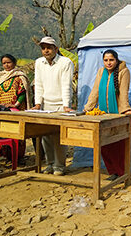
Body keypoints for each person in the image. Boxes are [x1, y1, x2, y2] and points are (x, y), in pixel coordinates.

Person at [84, 49, 131, 180]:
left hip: (116, 115)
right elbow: (95, 91)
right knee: (103, 145)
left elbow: (124, 93)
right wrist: (88, 108)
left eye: (111, 60)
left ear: (116, 60)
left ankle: (121, 173)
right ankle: (112, 171)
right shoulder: (101, 72)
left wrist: (126, 110)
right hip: (102, 114)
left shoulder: (124, 72)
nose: (108, 63)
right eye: (106, 60)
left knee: (117, 145)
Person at [31, 36, 74, 176]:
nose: (46, 51)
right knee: (45, 137)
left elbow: (66, 84)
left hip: (61, 105)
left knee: (59, 137)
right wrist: (37, 104)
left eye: (49, 48)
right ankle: (50, 164)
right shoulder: (39, 63)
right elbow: (38, 84)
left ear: (56, 49)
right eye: (43, 48)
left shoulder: (65, 62)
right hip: (45, 104)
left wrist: (66, 105)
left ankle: (59, 166)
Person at [0, 54, 30, 161]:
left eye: (8, 62)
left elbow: (22, 93)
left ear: (14, 63)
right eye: (4, 63)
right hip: (2, 109)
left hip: (17, 109)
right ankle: (6, 155)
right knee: (3, 131)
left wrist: (15, 104)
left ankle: (18, 156)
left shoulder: (20, 76)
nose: (6, 65)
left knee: (17, 132)